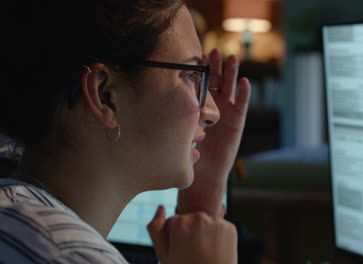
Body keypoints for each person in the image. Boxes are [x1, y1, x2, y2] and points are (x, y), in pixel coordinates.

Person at [0, 0, 251, 263]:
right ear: (105, 95)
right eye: (189, 76)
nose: (212, 112)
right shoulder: (72, 255)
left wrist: (201, 205)